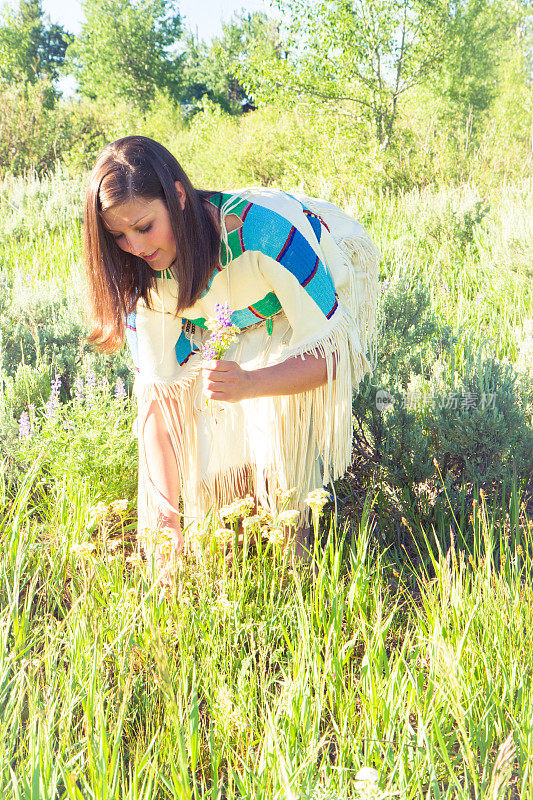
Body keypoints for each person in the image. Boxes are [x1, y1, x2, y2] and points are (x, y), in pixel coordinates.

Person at [83, 135, 379, 586]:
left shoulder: (265, 231)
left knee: (277, 427)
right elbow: (159, 412)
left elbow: (334, 358)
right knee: (211, 416)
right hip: (229, 307)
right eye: (119, 236)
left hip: (321, 265)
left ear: (178, 197)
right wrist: (167, 534)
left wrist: (253, 384)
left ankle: (297, 566)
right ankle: (247, 519)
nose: (136, 246)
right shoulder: (140, 277)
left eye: (144, 226)